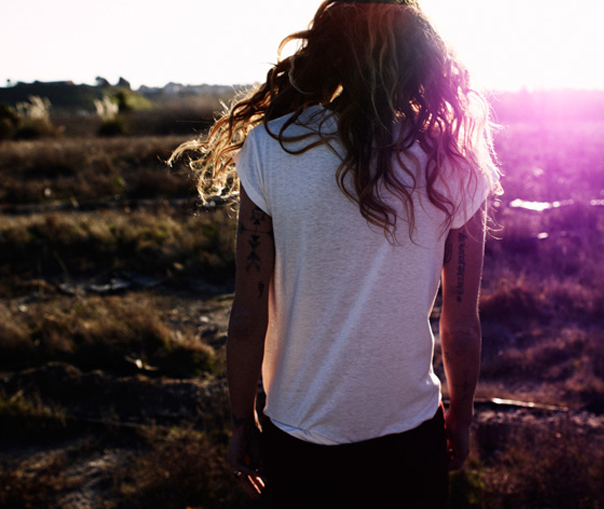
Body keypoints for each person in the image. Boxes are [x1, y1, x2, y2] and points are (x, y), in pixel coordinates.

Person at [173, 0, 501, 506]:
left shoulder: (271, 147)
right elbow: (461, 327)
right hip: (410, 438)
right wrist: (461, 416)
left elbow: (247, 316)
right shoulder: (455, 161)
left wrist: (241, 422)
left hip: (298, 437)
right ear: (421, 60)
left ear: (328, 54)